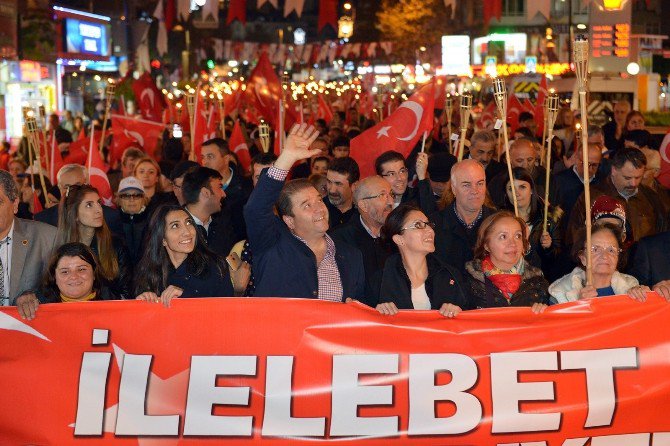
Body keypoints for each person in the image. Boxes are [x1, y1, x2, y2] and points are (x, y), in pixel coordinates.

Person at [244, 124, 365, 300]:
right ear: (289, 221)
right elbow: (255, 209)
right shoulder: (272, 246)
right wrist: (287, 158)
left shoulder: (350, 255)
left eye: (318, 199)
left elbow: (360, 308)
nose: (319, 208)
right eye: (306, 205)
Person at [134, 205, 245, 304]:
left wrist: (186, 297)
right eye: (175, 226)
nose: (187, 232)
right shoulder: (150, 274)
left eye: (188, 222)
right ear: (162, 239)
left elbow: (224, 314)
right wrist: (144, 302)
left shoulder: (215, 267)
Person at [375, 204, 468, 316]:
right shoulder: (379, 280)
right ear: (399, 239)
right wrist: (377, 313)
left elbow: (470, 316)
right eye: (418, 225)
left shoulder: (450, 275)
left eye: (429, 224)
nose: (430, 230)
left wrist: (459, 312)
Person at [566, 147, 666, 247]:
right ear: (614, 170)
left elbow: (662, 235)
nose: (633, 183)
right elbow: (575, 237)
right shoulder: (591, 197)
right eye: (627, 177)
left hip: (644, 261)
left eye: (638, 177)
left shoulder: (651, 197)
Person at [57, 184, 132, 299]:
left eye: (99, 203)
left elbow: (127, 293)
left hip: (109, 312)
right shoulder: (59, 249)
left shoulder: (116, 245)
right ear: (74, 214)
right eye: (89, 205)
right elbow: (50, 291)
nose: (98, 210)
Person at [0, 170, 58, 319]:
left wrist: (35, 297)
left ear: (15, 204)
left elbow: (61, 287)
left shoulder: (47, 238)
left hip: (27, 331)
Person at [464, 211, 549, 311]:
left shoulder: (538, 282)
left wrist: (545, 313)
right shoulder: (467, 281)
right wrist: (451, 312)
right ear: (486, 245)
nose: (513, 243)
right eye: (503, 237)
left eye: (518, 236)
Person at [330, 175, 394, 305]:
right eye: (383, 195)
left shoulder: (398, 235)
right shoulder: (339, 239)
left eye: (391, 194)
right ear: (363, 205)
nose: (391, 202)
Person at [549, 224, 646, 303]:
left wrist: (646, 298)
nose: (604, 256)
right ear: (583, 258)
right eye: (595, 249)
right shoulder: (560, 294)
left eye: (611, 250)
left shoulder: (631, 288)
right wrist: (578, 305)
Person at [431, 159, 497, 273]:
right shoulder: (433, 226)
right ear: (453, 189)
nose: (475, 191)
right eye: (467, 185)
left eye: (480, 183)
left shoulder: (499, 223)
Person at [503, 167, 563, 280]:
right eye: (511, 188)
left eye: (522, 187)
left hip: (541, 283)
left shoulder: (548, 218)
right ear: (506, 193)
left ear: (531, 190)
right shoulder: (500, 220)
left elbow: (559, 260)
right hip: (509, 281)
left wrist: (548, 248)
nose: (517, 193)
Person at [34, 164, 123, 237]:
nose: (73, 191)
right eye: (67, 187)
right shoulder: (43, 220)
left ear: (87, 184)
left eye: (78, 185)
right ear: (59, 188)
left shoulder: (110, 217)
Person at [200, 137, 251, 241]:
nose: (205, 162)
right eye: (203, 157)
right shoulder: (199, 189)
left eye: (210, 156)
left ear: (226, 159)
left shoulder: (247, 187)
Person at [182, 166, 237, 258]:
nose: (224, 194)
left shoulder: (223, 225)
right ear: (206, 193)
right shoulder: (175, 230)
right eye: (220, 187)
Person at [488, 138, 554, 208]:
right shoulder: (498, 181)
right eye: (519, 160)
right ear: (509, 159)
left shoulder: (547, 179)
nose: (525, 165)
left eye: (530, 159)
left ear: (535, 158)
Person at [39, 242, 113, 303]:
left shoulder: (116, 305)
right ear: (54, 277)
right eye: (65, 272)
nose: (74, 277)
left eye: (81, 269)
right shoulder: (34, 309)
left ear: (94, 273)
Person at [553, 143, 602, 222]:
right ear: (576, 158)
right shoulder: (559, 181)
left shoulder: (601, 182)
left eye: (594, 165)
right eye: (586, 164)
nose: (589, 169)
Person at [116, 176, 149, 266]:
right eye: (126, 195)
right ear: (119, 199)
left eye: (137, 195)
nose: (132, 199)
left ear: (144, 199)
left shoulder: (153, 221)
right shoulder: (111, 222)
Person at [324, 156, 359, 230]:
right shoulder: (318, 210)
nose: (332, 190)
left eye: (338, 184)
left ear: (354, 186)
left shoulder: (363, 214)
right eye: (329, 182)